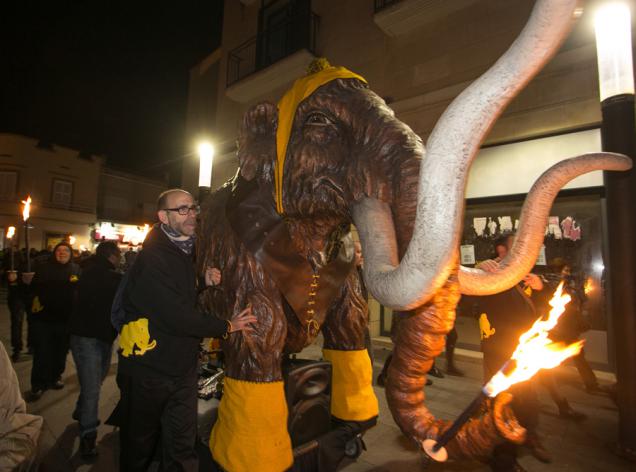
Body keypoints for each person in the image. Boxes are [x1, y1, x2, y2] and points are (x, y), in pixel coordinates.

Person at [116, 188, 257, 472]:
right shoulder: (153, 257)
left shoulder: (183, 250)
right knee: (139, 445)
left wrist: (201, 281)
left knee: (181, 445)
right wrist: (227, 325)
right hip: (149, 370)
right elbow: (175, 315)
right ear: (163, 216)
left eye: (193, 208)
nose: (191, 214)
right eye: (182, 209)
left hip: (181, 368)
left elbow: (177, 293)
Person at [476, 234, 550, 471]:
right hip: (499, 351)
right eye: (517, 245)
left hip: (527, 350)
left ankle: (528, 435)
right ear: (501, 250)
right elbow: (464, 293)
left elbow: (546, 309)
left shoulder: (525, 275)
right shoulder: (488, 272)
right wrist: (477, 269)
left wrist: (541, 288)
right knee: (501, 404)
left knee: (529, 400)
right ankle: (503, 458)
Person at [68, 241, 122, 458]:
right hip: (87, 338)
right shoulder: (103, 276)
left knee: (95, 382)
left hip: (101, 338)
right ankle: (88, 436)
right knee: (93, 388)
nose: (119, 258)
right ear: (111, 256)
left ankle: (81, 411)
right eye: (118, 254)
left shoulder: (87, 272)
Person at [26, 241, 80, 400]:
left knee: (60, 351)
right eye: (59, 250)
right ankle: (38, 384)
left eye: (66, 251)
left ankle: (55, 377)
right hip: (44, 319)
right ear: (54, 253)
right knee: (42, 352)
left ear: (70, 254)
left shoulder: (76, 270)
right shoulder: (43, 269)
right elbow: (31, 291)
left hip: (65, 320)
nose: (62, 253)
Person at [5, 249, 27, 362]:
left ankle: (18, 348)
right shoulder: (8, 267)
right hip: (16, 297)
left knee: (17, 323)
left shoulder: (26, 266)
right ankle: (18, 348)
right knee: (17, 323)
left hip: (22, 296)